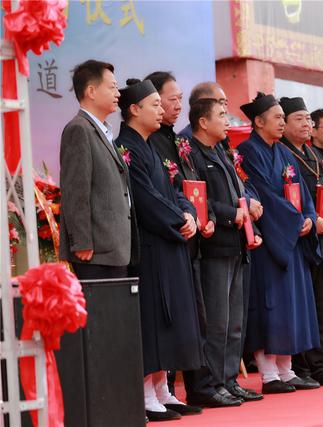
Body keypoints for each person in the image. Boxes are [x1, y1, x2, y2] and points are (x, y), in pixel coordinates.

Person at [115, 78, 203, 421]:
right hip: (152, 245)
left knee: (173, 317)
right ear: (134, 110)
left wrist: (189, 213)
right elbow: (143, 196)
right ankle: (147, 392)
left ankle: (164, 388)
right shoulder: (126, 146)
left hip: (172, 241)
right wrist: (177, 220)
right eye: (154, 104)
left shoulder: (152, 145)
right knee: (154, 317)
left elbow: (177, 187)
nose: (161, 109)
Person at [237, 93, 321, 394]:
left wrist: (309, 216)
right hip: (270, 239)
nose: (283, 122)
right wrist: (295, 221)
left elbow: (303, 192)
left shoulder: (284, 153)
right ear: (259, 121)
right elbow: (261, 193)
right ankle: (269, 373)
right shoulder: (247, 151)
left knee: (292, 304)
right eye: (278, 117)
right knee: (269, 305)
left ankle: (287, 369)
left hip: (292, 237)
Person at [187, 97, 265, 407]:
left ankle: (230, 379)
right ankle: (212, 382)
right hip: (214, 246)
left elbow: (241, 197)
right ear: (203, 122)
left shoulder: (222, 151)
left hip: (237, 244)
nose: (227, 121)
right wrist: (230, 214)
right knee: (217, 320)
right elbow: (196, 201)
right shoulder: (191, 153)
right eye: (221, 115)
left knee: (235, 321)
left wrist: (252, 228)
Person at [144, 71, 214, 402]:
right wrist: (184, 219)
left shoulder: (177, 140)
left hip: (193, 236)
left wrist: (206, 216)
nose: (173, 106)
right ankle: (181, 388)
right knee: (176, 318)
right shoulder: (150, 141)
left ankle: (202, 385)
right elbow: (159, 196)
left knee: (196, 319)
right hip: (171, 238)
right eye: (168, 100)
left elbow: (192, 186)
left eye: (176, 100)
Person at [280, 98, 323, 387]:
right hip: (304, 240)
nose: (307, 125)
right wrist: (313, 219)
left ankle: (318, 364)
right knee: (302, 305)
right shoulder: (282, 154)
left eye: (309, 120)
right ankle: (301, 364)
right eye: (299, 119)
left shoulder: (318, 158)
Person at [59, 60, 138, 280]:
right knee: (101, 313)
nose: (118, 94)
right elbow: (75, 190)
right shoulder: (79, 129)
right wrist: (82, 242)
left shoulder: (104, 131)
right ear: (91, 91)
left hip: (114, 249)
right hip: (95, 252)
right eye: (112, 87)